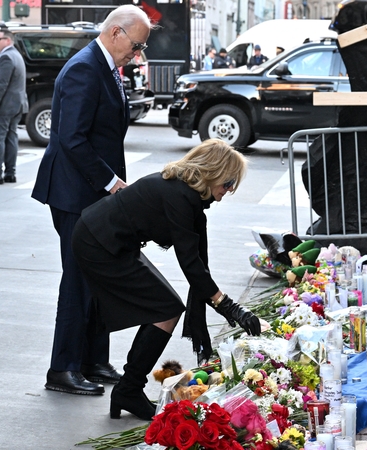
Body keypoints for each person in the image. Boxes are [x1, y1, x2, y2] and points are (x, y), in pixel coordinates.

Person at [71, 139, 261, 420]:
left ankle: (128, 388)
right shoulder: (180, 196)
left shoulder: (187, 194)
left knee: (165, 307)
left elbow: (197, 262)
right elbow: (190, 263)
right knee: (166, 308)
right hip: (98, 242)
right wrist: (229, 306)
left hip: (108, 239)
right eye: (228, 184)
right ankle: (129, 389)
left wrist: (224, 303)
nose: (227, 192)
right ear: (214, 173)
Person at [31, 4, 152, 396]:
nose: (137, 55)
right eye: (135, 46)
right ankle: (62, 368)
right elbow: (72, 138)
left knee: (99, 274)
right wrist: (113, 183)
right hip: (74, 191)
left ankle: (93, 360)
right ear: (116, 32)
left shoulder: (107, 66)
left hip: (92, 191)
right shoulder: (85, 67)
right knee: (79, 278)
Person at [0, 28, 28, 185]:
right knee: (11, 137)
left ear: (7, 40)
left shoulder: (6, 58)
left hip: (4, 106)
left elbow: (1, 85)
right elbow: (7, 78)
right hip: (17, 105)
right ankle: (10, 173)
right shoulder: (16, 55)